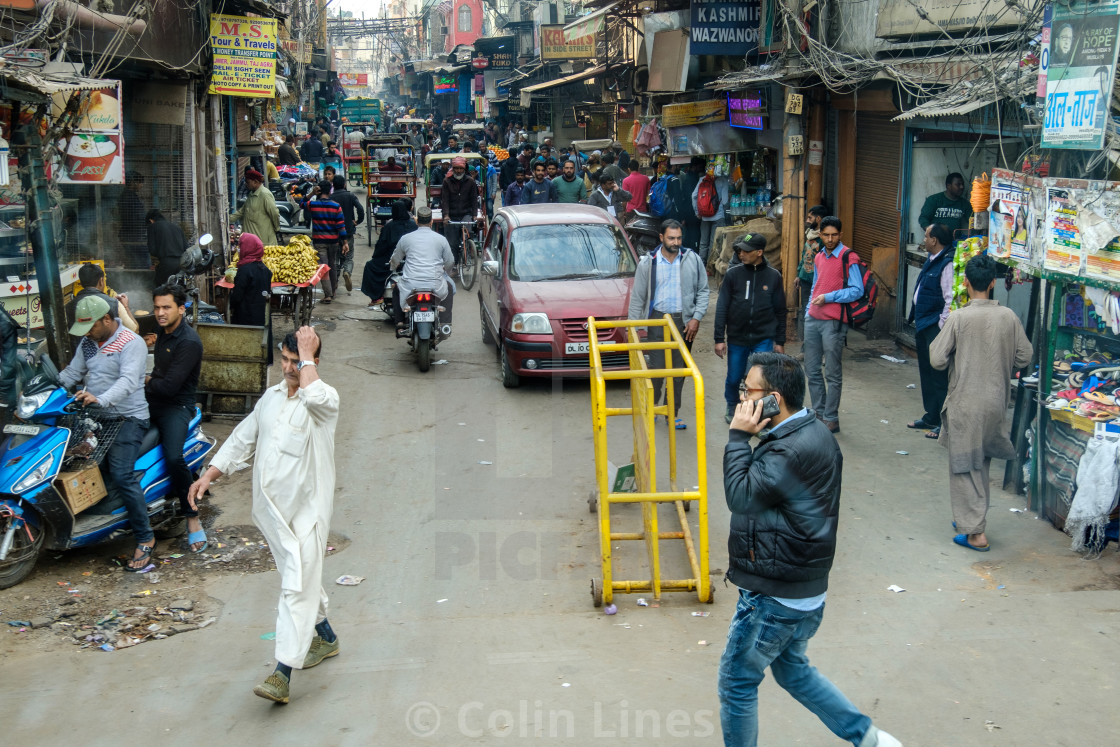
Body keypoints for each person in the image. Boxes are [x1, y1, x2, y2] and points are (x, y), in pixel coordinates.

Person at [720, 352, 902, 747]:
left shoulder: (789, 449)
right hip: (802, 589)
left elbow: (741, 495)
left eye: (747, 391)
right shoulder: (809, 433)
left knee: (737, 683)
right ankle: (870, 739)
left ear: (773, 399)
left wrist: (738, 438)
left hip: (775, 597)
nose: (741, 400)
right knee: (793, 671)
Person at [189, 327, 340, 704]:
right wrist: (209, 474)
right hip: (272, 517)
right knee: (300, 579)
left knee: (295, 587)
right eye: (285, 360)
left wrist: (308, 355)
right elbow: (243, 438)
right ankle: (327, 638)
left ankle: (282, 673)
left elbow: (317, 395)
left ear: (312, 363)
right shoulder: (271, 399)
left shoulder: (323, 401)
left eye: (297, 361)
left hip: (307, 517)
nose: (288, 368)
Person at [930, 254, 1032, 553]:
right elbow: (1024, 357)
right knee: (981, 462)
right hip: (996, 402)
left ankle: (975, 533)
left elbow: (937, 359)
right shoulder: (1009, 317)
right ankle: (969, 517)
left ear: (965, 282)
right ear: (992, 283)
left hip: (966, 402)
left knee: (964, 465)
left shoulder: (959, 317)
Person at [59, 296, 151, 571]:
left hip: (128, 417)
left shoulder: (131, 343)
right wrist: (45, 389)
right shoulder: (88, 343)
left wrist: (102, 399)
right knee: (72, 463)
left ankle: (146, 537)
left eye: (91, 327)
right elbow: (72, 373)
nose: (87, 333)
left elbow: (127, 382)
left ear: (107, 320)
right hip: (96, 416)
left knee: (122, 474)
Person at [627, 219, 709, 429]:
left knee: (679, 370)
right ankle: (654, 407)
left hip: (683, 322)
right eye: (671, 238)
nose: (676, 242)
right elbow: (637, 298)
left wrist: (696, 318)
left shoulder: (693, 260)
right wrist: (634, 329)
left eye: (679, 238)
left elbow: (703, 291)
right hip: (656, 320)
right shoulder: (648, 262)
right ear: (661, 238)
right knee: (657, 368)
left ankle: (672, 413)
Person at [143, 284, 205, 552]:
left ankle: (192, 517)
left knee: (173, 456)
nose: (160, 312)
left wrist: (144, 379)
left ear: (182, 308)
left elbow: (169, 387)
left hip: (176, 407)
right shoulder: (162, 331)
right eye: (157, 307)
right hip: (151, 401)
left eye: (166, 307)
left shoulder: (189, 342)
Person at [713, 234, 787, 424]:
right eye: (740, 250)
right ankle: (732, 406)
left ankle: (761, 416)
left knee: (760, 380)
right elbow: (722, 306)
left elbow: (780, 310)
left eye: (746, 250)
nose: (741, 254)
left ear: (759, 252)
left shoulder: (773, 277)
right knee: (733, 378)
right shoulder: (733, 275)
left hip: (763, 338)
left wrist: (779, 341)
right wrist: (719, 338)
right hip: (737, 338)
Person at [804, 216, 863, 433]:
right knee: (811, 370)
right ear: (820, 235)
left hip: (834, 322)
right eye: (826, 235)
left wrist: (829, 297)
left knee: (832, 372)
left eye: (834, 235)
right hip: (813, 319)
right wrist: (808, 311)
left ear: (840, 234)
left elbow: (857, 290)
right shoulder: (819, 256)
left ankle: (831, 417)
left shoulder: (849, 257)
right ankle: (818, 413)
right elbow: (815, 286)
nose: (830, 239)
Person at [906, 223, 955, 439]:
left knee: (938, 376)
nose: (924, 240)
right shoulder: (932, 260)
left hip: (934, 327)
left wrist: (942, 328)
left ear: (934, 240)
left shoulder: (947, 263)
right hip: (924, 323)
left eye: (926, 236)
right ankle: (931, 416)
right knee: (926, 372)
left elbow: (949, 299)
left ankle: (942, 425)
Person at [390, 206, 455, 327]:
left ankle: (399, 322)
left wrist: (392, 267)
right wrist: (447, 271)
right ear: (431, 221)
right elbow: (450, 261)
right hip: (435, 285)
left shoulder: (406, 239)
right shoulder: (441, 239)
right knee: (449, 288)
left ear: (416, 221)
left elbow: (395, 259)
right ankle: (446, 323)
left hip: (410, 285)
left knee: (396, 289)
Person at [362, 199, 416, 308]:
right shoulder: (413, 225)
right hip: (411, 258)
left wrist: (376, 256)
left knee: (370, 266)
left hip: (391, 258)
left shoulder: (389, 226)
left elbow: (381, 245)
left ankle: (376, 297)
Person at [66, 262, 139, 343]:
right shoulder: (113, 303)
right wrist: (125, 306)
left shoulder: (69, 306)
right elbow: (134, 330)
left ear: (82, 282)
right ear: (101, 281)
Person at [302, 180, 347, 303]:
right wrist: (345, 242)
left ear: (319, 190)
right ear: (330, 191)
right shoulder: (336, 206)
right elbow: (341, 226)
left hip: (319, 241)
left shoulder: (314, 204)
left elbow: (301, 203)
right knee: (332, 265)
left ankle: (328, 294)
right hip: (334, 242)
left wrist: (311, 193)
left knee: (323, 266)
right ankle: (333, 291)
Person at [441, 156, 479, 264]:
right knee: (452, 243)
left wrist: (475, 215)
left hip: (465, 213)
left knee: (468, 233)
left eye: (460, 168)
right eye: (456, 168)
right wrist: (446, 215)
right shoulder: (447, 181)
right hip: (451, 215)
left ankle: (468, 250)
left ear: (464, 169)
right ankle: (454, 265)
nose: (458, 171)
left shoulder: (470, 181)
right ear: (453, 169)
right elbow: (445, 200)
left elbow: (474, 200)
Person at [330, 175, 365, 292]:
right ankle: (347, 272)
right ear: (344, 184)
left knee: (335, 258)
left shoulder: (331, 197)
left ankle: (334, 282)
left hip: (334, 232)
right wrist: (357, 221)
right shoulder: (350, 195)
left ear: (333, 185)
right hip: (348, 230)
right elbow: (360, 209)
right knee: (348, 257)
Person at [230, 233, 273, 327]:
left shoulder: (245, 270)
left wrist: (231, 304)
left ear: (247, 248)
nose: (239, 249)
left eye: (241, 246)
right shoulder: (265, 270)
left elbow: (237, 296)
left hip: (246, 319)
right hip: (262, 318)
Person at [798, 206, 828, 341]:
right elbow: (804, 255)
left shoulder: (825, 239)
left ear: (818, 218)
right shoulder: (809, 235)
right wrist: (799, 274)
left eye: (810, 218)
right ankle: (805, 349)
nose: (807, 220)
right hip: (805, 281)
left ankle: (821, 350)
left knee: (821, 315)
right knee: (806, 313)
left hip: (820, 283)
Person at [231, 169, 280, 247]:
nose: (246, 184)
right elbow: (242, 212)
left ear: (255, 182)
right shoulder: (251, 194)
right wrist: (227, 219)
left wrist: (277, 228)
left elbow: (274, 213)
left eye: (248, 182)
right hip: (252, 240)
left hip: (263, 240)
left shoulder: (265, 194)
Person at [692, 168, 729, 264]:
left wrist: (697, 211)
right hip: (718, 216)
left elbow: (694, 196)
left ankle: (701, 265)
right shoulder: (723, 180)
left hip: (704, 216)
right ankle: (710, 266)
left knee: (703, 243)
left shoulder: (703, 179)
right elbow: (725, 201)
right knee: (714, 243)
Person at [146, 209, 188, 285]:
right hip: (181, 263)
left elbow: (152, 249)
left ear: (151, 220)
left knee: (161, 288)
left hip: (166, 263)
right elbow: (186, 247)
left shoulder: (153, 227)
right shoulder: (176, 227)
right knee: (177, 288)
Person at [678, 157, 705, 251]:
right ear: (695, 167)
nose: (702, 169)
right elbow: (692, 197)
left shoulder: (688, 177)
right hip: (692, 213)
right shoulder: (693, 179)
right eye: (700, 167)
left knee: (690, 236)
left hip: (688, 213)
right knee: (694, 237)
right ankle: (693, 254)